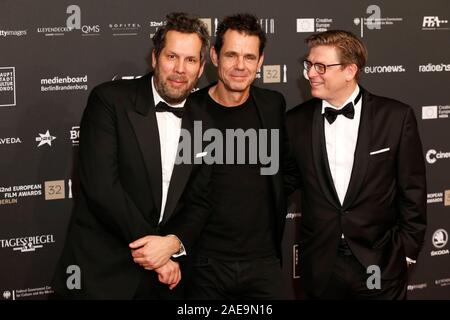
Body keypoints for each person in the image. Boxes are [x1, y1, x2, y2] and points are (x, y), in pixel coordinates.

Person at [51, 12, 212, 299]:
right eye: (171, 56)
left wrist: (173, 243)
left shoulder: (204, 121)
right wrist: (158, 252)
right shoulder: (109, 100)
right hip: (101, 274)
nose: (180, 69)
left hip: (165, 284)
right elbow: (102, 188)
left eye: (190, 60)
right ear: (154, 58)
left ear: (201, 69)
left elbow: (200, 199)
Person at [285, 30, 427, 299]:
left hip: (379, 263)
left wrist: (406, 255)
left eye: (321, 66)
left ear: (350, 70)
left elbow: (413, 193)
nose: (310, 73)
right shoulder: (295, 122)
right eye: (309, 64)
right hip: (320, 266)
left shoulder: (396, 118)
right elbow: (281, 184)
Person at [183, 13, 289, 300]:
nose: (240, 66)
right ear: (215, 56)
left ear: (260, 61)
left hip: (264, 261)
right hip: (205, 263)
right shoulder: (188, 110)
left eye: (249, 57)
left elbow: (287, 172)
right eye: (231, 55)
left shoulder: (272, 105)